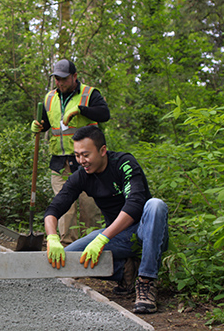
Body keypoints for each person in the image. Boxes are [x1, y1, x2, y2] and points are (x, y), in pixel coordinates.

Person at [44, 125, 168, 314]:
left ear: (102, 151)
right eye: (77, 155)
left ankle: (146, 282)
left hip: (147, 231)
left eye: (85, 155)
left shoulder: (124, 163)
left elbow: (135, 204)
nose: (81, 161)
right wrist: (52, 237)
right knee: (66, 259)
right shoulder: (81, 175)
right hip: (119, 237)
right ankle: (126, 272)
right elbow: (54, 208)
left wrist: (103, 238)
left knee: (156, 205)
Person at [31, 59, 110, 247]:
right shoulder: (49, 98)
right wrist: (38, 127)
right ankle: (68, 248)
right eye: (57, 79)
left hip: (87, 162)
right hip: (60, 161)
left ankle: (93, 246)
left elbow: (104, 114)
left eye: (64, 79)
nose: (60, 83)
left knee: (89, 207)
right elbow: (46, 124)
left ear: (74, 77)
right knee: (65, 208)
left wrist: (81, 110)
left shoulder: (90, 94)